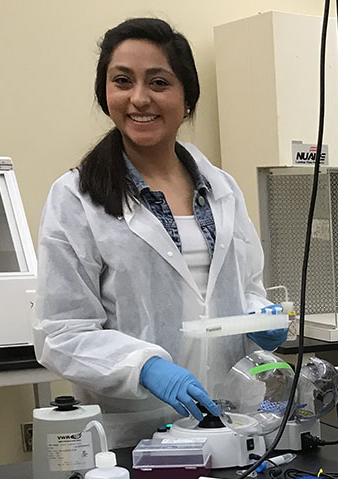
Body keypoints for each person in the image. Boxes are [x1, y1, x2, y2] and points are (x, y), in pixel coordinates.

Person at [33, 18, 287, 448]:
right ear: (105, 94)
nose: (138, 98)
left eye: (158, 82)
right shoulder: (76, 197)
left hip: (233, 420)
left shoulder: (221, 189)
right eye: (122, 81)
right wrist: (144, 366)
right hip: (131, 433)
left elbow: (245, 288)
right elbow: (61, 332)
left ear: (186, 98)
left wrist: (262, 318)